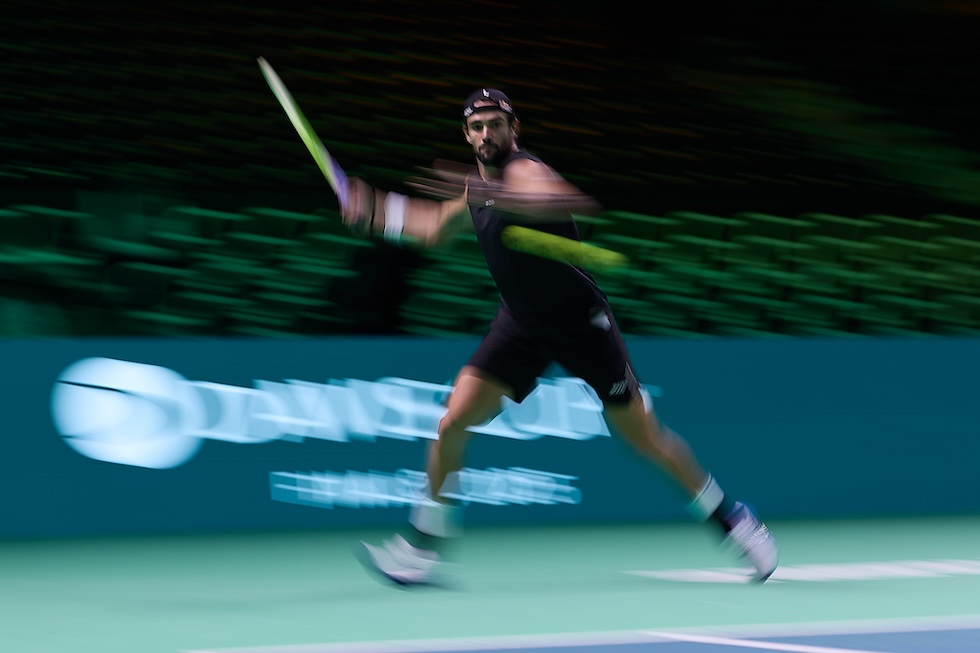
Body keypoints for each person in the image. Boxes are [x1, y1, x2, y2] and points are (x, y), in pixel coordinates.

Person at [340, 88, 778, 585]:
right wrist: (375, 211)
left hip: (579, 322)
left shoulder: (525, 170)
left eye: (496, 124)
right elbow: (435, 226)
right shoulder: (473, 189)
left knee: (644, 437)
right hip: (522, 324)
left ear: (514, 129)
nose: (487, 134)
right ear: (466, 134)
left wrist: (494, 193)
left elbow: (564, 200)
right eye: (478, 126)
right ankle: (424, 548)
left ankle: (734, 522)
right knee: (453, 422)